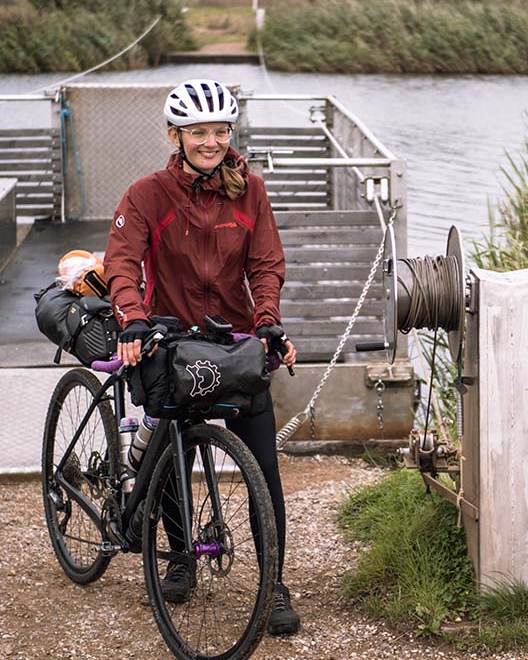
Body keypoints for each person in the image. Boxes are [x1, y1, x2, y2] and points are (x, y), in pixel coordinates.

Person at [104, 78, 301, 636]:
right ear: (176, 135)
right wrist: (133, 316)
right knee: (174, 460)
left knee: (264, 468)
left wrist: (267, 324)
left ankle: (275, 581)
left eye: (220, 131)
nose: (210, 142)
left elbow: (265, 265)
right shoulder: (147, 194)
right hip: (170, 339)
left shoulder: (251, 191)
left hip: (234, 343)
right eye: (198, 132)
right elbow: (122, 260)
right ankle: (180, 557)